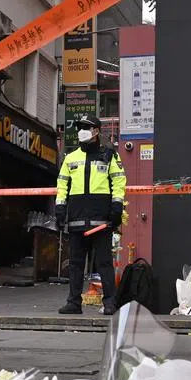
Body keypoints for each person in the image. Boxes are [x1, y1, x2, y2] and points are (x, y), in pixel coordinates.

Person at [54, 115, 127, 315]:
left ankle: (110, 302)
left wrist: (117, 208)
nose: (81, 131)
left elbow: (119, 182)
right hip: (77, 218)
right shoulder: (70, 158)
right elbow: (62, 186)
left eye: (85, 127)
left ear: (96, 131)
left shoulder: (110, 155)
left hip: (101, 220)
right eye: (79, 127)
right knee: (76, 264)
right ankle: (74, 303)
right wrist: (60, 209)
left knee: (104, 263)